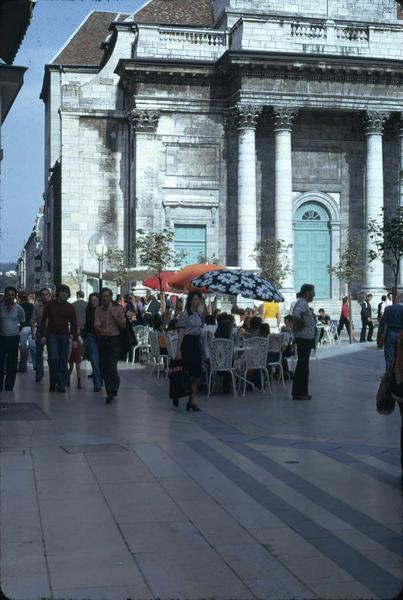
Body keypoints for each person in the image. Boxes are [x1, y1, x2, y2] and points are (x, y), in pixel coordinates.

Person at [40, 284, 78, 393]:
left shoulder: (70, 307)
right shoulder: (50, 305)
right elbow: (43, 320)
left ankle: (61, 384)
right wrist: (42, 335)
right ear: (58, 293)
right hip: (52, 335)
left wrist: (75, 338)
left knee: (63, 360)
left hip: (64, 336)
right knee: (53, 359)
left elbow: (74, 324)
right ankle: (53, 381)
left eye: (66, 292)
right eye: (62, 292)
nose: (64, 294)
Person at [94, 287, 126, 404]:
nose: (105, 298)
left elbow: (123, 324)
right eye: (103, 296)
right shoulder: (98, 310)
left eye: (107, 296)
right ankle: (109, 391)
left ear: (111, 297)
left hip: (115, 341)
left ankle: (113, 389)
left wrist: (115, 316)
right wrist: (101, 331)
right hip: (103, 340)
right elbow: (96, 325)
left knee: (112, 365)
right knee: (105, 367)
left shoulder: (118, 308)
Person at [176, 291, 204, 411]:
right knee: (187, 373)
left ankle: (191, 401)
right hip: (187, 344)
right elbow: (181, 333)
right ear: (190, 300)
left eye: (199, 299)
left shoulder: (199, 314)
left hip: (196, 344)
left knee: (197, 374)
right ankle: (181, 394)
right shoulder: (185, 314)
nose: (197, 301)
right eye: (195, 299)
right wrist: (178, 350)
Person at [292, 284, 316, 400]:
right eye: (312, 292)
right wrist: (301, 322)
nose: (314, 295)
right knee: (303, 365)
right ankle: (300, 392)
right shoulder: (301, 302)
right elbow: (296, 314)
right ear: (307, 293)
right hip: (303, 338)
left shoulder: (303, 303)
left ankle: (299, 392)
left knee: (303, 364)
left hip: (305, 337)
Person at [0, 287, 25, 391]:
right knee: (0, 362)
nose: (10, 296)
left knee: (12, 362)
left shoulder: (19, 308)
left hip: (14, 338)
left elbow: (22, 322)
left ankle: (9, 385)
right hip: (1, 338)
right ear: (5, 296)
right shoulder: (0, 307)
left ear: (15, 296)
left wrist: (16, 331)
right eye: (8, 294)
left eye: (12, 295)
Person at [31, 288, 52, 382]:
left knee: (52, 354)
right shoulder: (36, 306)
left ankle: (53, 373)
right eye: (43, 294)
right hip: (40, 330)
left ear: (50, 295)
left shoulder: (54, 305)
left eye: (47, 294)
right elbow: (33, 320)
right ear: (40, 296)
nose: (45, 296)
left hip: (52, 331)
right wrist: (32, 333)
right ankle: (39, 374)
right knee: (38, 354)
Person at [82, 293, 102, 392]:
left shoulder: (103, 311)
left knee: (101, 360)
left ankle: (100, 379)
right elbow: (86, 325)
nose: (93, 302)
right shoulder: (89, 311)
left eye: (95, 300)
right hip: (91, 336)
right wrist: (84, 336)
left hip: (102, 337)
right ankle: (97, 384)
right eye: (92, 300)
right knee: (94, 360)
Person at [377, 293, 403, 369]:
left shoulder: (388, 309)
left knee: (389, 356)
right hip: (401, 335)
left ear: (396, 300)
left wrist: (379, 339)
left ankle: (389, 374)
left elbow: (382, 324)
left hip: (391, 334)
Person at [17, 291, 34, 373]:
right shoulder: (31, 306)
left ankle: (23, 367)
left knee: (23, 349)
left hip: (23, 328)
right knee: (33, 348)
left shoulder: (18, 307)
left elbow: (19, 319)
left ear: (19, 298)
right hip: (31, 328)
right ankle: (36, 366)